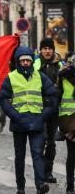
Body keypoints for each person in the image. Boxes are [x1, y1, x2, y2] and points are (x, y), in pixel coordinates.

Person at [0, 45, 59, 194]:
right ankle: (20, 185)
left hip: (37, 121)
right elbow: (3, 99)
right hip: (19, 122)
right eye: (23, 60)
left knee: (37, 153)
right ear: (18, 61)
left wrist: (44, 114)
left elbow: (53, 96)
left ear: (32, 61)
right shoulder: (11, 77)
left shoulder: (40, 77)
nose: (26, 63)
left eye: (28, 60)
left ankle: (40, 184)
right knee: (19, 156)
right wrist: (14, 115)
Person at [34, 38, 62, 184]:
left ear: (53, 50)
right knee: (41, 139)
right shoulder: (35, 64)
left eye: (49, 48)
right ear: (40, 50)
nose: (47, 51)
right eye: (44, 48)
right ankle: (40, 171)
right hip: (39, 108)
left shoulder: (60, 65)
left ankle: (48, 172)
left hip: (55, 109)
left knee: (51, 142)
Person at [57, 58, 75, 194]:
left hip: (67, 118)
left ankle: (70, 186)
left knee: (71, 154)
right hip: (69, 119)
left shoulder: (63, 75)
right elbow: (57, 96)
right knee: (72, 154)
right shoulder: (63, 76)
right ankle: (70, 185)